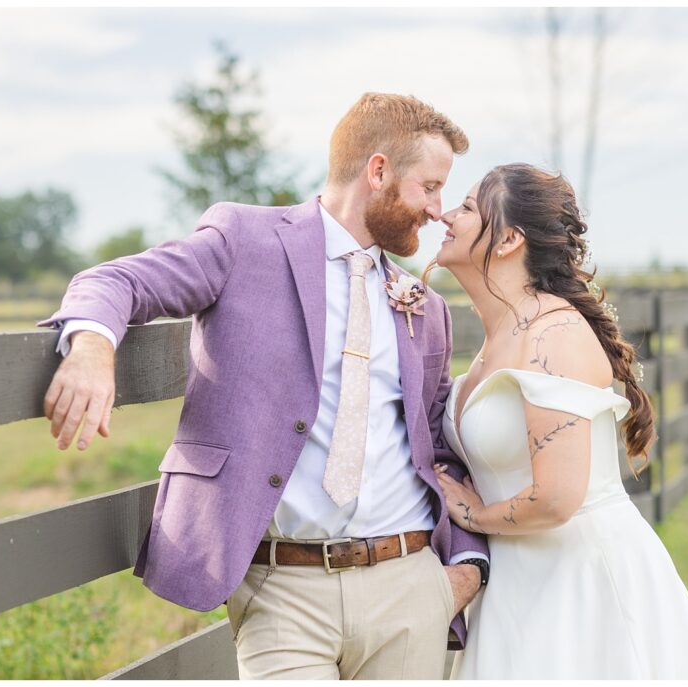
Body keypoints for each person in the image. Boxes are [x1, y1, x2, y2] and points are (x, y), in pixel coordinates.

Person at [38, 93, 489, 680]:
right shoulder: (243, 241)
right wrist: (93, 348)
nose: (437, 210)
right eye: (429, 187)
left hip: (407, 583)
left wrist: (468, 566)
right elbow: (120, 279)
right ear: (378, 171)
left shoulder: (424, 306)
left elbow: (439, 444)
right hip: (282, 589)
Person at [432, 163, 688, 679]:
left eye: (464, 208)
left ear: (507, 239)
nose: (444, 214)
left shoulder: (554, 334)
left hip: (580, 583)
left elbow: (557, 497)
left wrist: (472, 517)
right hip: (515, 583)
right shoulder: (498, 333)